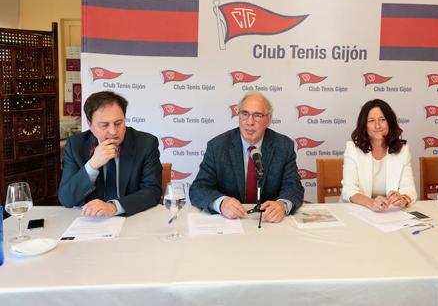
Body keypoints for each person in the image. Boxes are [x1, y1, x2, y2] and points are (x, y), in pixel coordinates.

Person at [190, 92, 304, 222]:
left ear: (269, 119)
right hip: (230, 224)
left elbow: (294, 187)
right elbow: (198, 189)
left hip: (268, 224)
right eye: (245, 114)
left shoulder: (283, 146)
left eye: (257, 115)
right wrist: (221, 203)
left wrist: (282, 205)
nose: (250, 122)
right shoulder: (217, 146)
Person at [58, 91, 162, 216]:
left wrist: (114, 207)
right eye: (104, 125)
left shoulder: (146, 143)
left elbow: (152, 192)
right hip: (91, 220)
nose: (113, 131)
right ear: (90, 124)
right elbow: (67, 199)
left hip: (133, 218)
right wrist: (92, 165)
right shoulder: (76, 146)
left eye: (119, 123)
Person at [341, 99, 417, 211]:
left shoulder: (402, 149)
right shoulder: (352, 148)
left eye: (382, 119)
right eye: (371, 120)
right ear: (364, 125)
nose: (377, 126)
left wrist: (403, 199)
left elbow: (409, 188)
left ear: (390, 122)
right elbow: (349, 190)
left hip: (390, 212)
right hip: (359, 210)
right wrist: (371, 203)